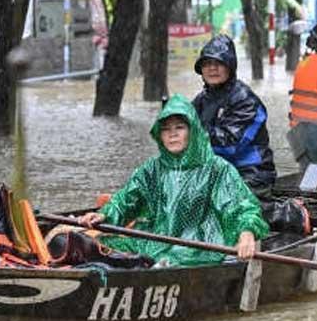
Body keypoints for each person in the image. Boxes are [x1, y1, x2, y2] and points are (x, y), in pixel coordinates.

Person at [78, 95, 269, 267]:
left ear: (192, 131)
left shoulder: (217, 168)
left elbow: (240, 206)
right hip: (154, 238)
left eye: (179, 127)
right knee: (97, 243)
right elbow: (126, 200)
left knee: (175, 258)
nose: (172, 134)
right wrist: (105, 215)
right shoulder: (151, 168)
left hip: (199, 244)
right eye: (166, 129)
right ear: (159, 135)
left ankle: (149, 266)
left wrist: (247, 233)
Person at [191, 34, 276, 192]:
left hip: (251, 172)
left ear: (230, 66)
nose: (212, 68)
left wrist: (191, 134)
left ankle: (291, 213)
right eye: (207, 63)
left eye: (219, 63)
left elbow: (230, 145)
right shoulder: (201, 100)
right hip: (214, 171)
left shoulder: (246, 101)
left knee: (231, 205)